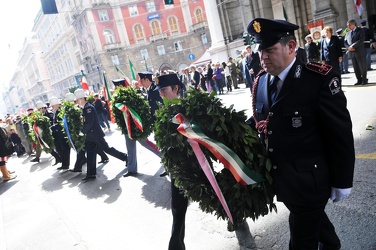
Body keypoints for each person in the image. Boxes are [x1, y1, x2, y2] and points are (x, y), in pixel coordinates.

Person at [247, 18, 355, 249]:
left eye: (269, 50)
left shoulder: (318, 80)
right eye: (260, 51)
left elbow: (340, 134)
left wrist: (343, 180)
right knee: (322, 232)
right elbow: (260, 121)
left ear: (291, 47)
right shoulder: (262, 81)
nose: (263, 57)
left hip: (310, 183)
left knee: (301, 241)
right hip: (284, 180)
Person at [155, 73, 189, 250]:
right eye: (159, 91)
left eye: (163, 90)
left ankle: (237, 219)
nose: (161, 94)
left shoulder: (190, 108)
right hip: (178, 169)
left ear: (175, 88)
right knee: (177, 208)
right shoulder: (163, 113)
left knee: (218, 196)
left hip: (198, 166)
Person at [114, 73, 163, 178]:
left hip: (136, 125)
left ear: (121, 86)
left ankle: (163, 156)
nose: (115, 89)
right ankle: (131, 169)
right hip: (126, 126)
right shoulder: (118, 98)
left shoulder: (132, 95)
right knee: (129, 147)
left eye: (117, 86)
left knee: (145, 143)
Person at [74, 89, 128, 181]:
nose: (76, 102)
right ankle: (91, 174)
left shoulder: (88, 108)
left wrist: (82, 131)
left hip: (95, 134)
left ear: (82, 98)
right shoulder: (84, 108)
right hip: (90, 135)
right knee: (90, 153)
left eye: (77, 99)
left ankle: (125, 157)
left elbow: (89, 123)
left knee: (107, 149)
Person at [49, 97, 71, 170]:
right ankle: (65, 164)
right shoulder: (55, 112)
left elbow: (60, 123)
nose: (52, 107)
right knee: (64, 149)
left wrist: (52, 128)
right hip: (59, 134)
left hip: (62, 134)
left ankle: (66, 164)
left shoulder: (59, 111)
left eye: (53, 105)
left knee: (66, 149)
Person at [345, 19, 368, 85]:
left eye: (349, 25)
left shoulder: (360, 31)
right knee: (355, 67)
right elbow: (345, 42)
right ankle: (359, 80)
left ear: (353, 24)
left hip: (360, 52)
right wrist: (348, 48)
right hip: (352, 53)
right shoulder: (348, 33)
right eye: (347, 25)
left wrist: (353, 46)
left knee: (362, 66)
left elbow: (361, 40)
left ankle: (364, 79)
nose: (348, 27)